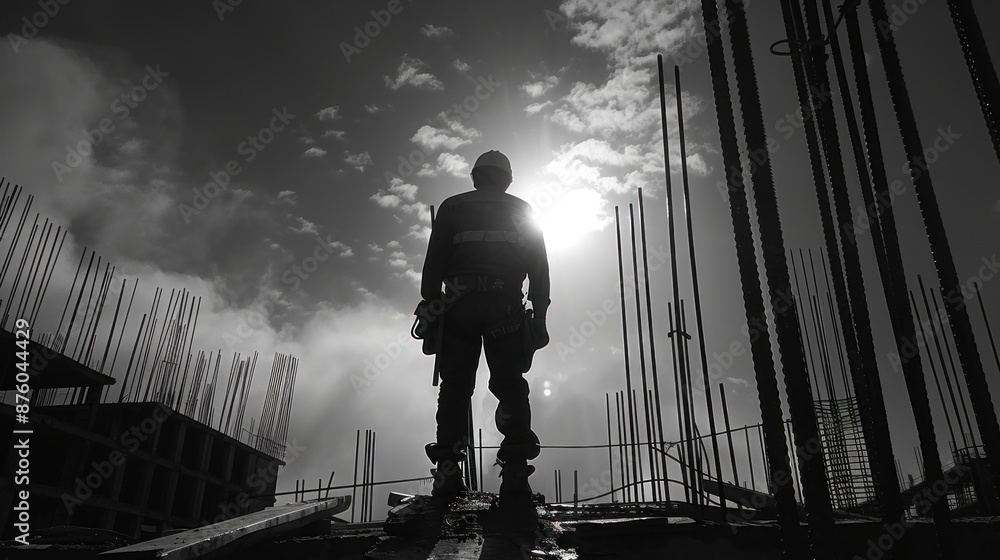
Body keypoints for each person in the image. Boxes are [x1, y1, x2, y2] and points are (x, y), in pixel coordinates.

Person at [418, 150, 550, 505]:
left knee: (456, 387)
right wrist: (540, 314)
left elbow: (434, 262)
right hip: (504, 306)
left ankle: (447, 475)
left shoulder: (453, 206)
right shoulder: (523, 209)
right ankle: (516, 476)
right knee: (509, 386)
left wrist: (430, 302)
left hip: (457, 305)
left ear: (475, 177)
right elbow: (539, 267)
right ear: (507, 179)